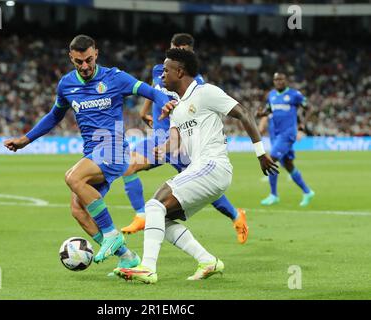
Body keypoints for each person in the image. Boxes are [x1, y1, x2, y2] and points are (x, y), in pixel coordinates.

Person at [3, 35, 170, 268]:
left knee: (73, 177)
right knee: (78, 210)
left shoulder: (115, 77)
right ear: (71, 58)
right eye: (79, 62)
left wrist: (167, 102)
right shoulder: (66, 85)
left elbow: (150, 92)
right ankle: (127, 258)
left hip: (114, 151)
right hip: (93, 153)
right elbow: (54, 116)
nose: (85, 66)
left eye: (89, 60)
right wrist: (26, 139)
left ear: (96, 54)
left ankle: (111, 234)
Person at [115, 49, 278, 284]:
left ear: (180, 72)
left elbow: (243, 113)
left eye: (166, 70)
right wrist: (162, 150)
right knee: (159, 216)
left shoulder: (206, 93)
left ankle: (147, 268)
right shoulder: (176, 107)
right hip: (201, 169)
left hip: (214, 165)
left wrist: (260, 153)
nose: (161, 75)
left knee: (153, 204)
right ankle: (207, 260)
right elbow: (174, 141)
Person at [121, 33, 249, 244]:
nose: (178, 52)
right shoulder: (159, 71)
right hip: (159, 138)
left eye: (184, 50)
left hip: (180, 142)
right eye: (175, 48)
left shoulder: (195, 83)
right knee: (127, 166)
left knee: (206, 190)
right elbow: (153, 90)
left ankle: (236, 215)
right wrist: (145, 111)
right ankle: (141, 215)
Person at [258, 72, 315, 207]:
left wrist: (302, 126)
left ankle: (273, 195)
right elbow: (268, 111)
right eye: (276, 79)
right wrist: (261, 114)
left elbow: (309, 108)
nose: (278, 82)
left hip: (288, 134)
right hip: (276, 134)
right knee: (288, 164)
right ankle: (307, 192)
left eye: (281, 79)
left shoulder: (295, 94)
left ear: (286, 81)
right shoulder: (271, 95)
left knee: (271, 159)